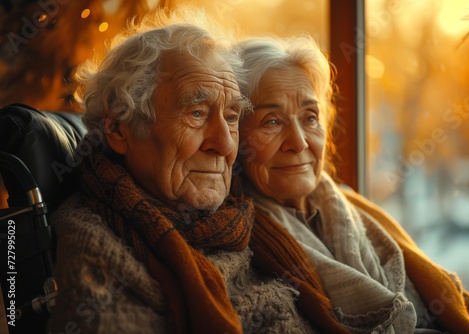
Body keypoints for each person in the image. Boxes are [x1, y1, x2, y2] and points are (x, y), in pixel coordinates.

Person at [47, 7, 353, 334]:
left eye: (232, 117)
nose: (225, 145)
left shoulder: (242, 219)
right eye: (196, 113)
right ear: (120, 131)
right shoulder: (98, 243)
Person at [234, 35, 469, 333]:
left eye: (310, 117)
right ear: (233, 135)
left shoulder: (354, 206)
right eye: (271, 121)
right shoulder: (240, 244)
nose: (299, 142)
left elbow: (465, 310)